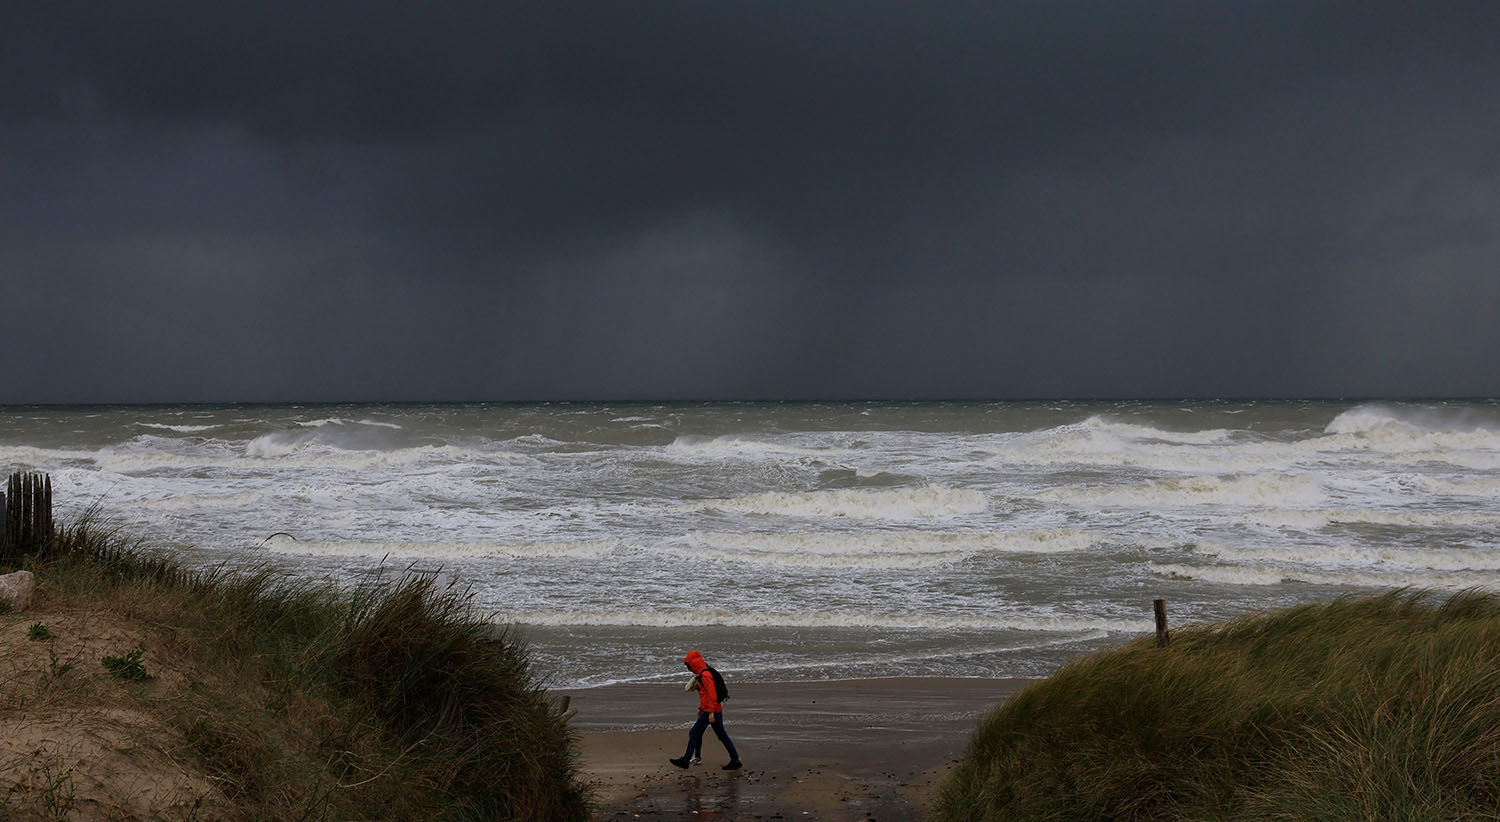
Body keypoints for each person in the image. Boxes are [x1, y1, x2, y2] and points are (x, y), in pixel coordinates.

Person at [670, 650, 742, 770]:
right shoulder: (704, 674)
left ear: (694, 664)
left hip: (711, 711)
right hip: (711, 710)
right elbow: (705, 695)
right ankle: (735, 760)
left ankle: (686, 760)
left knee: (694, 733)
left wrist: (711, 712)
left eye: (689, 664)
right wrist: (701, 709)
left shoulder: (705, 675)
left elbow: (712, 694)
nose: (688, 667)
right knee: (720, 736)